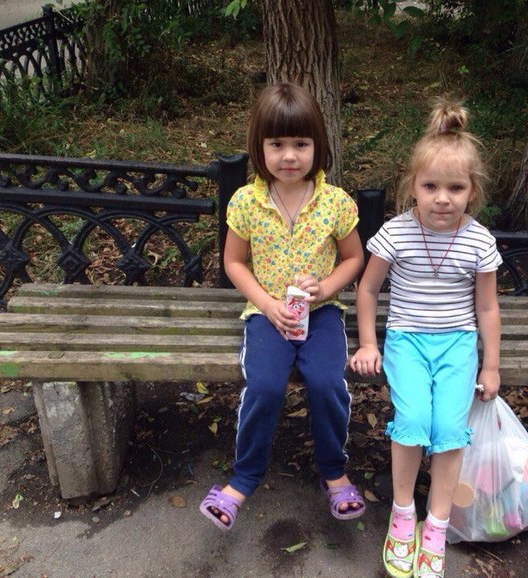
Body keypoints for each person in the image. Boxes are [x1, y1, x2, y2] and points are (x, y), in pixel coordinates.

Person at [200, 82, 366, 531]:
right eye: (277, 144)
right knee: (266, 386)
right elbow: (234, 262)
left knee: (327, 383)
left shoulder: (335, 202)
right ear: (260, 146)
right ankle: (243, 479)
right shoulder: (246, 202)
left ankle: (334, 473)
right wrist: (267, 304)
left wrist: (325, 288)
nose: (289, 156)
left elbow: (354, 258)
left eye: (301, 144)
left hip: (322, 314)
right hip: (266, 315)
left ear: (318, 146)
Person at [349, 99, 502, 578]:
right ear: (412, 185)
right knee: (413, 419)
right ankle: (402, 515)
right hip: (407, 342)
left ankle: (435, 525)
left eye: (456, 188)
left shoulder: (478, 241)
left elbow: (487, 307)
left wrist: (490, 364)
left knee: (449, 430)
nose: (442, 198)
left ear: (472, 191)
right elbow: (368, 290)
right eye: (430, 186)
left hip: (457, 344)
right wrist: (369, 343)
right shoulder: (395, 234)